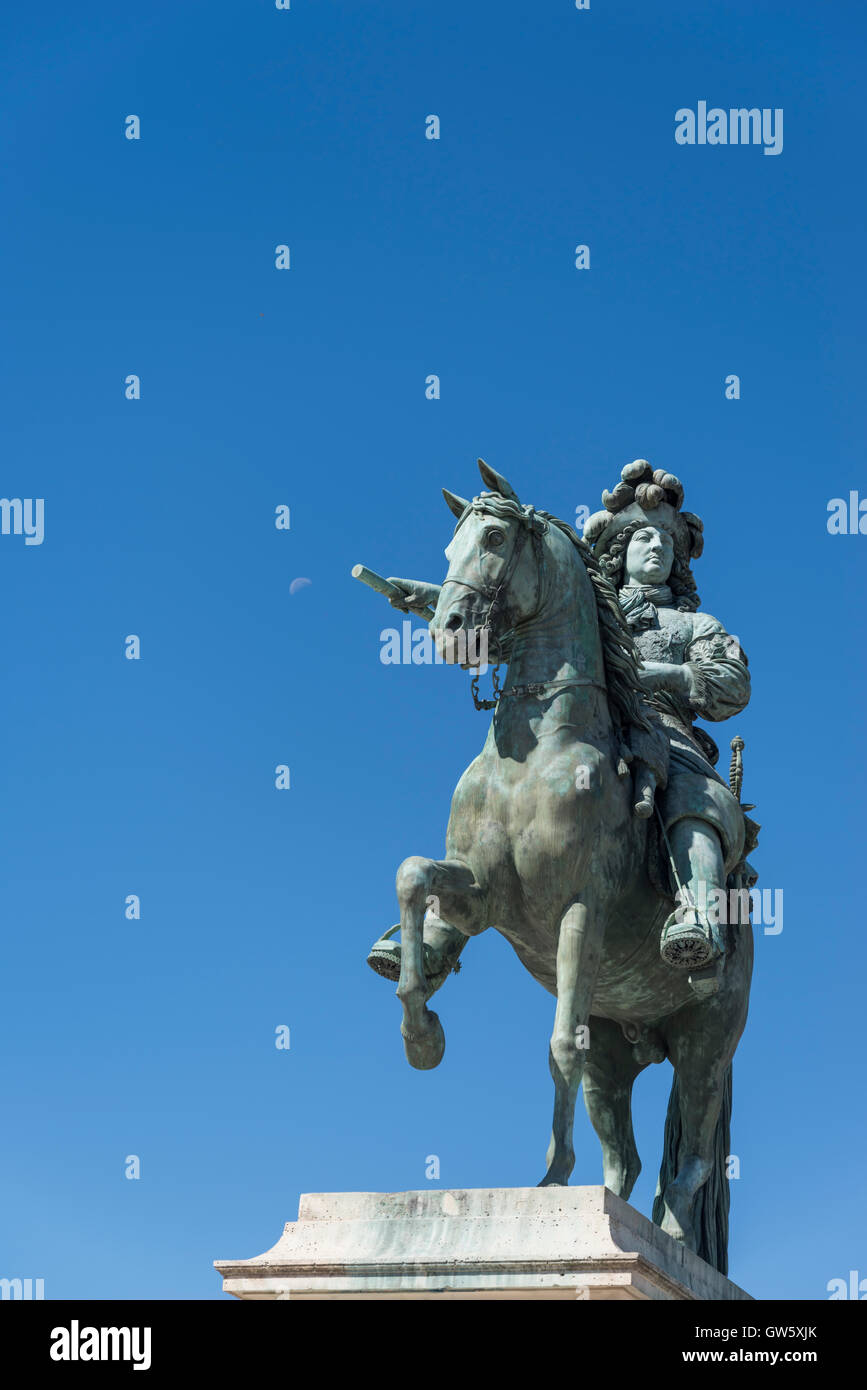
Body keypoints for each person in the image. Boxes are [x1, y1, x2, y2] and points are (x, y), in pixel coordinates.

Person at [366, 461, 751, 1000]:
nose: (656, 546)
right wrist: (433, 600)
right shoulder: (588, 605)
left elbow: (730, 683)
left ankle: (699, 912)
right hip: (573, 720)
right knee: (490, 791)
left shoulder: (694, 626)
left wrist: (661, 674)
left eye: (667, 540)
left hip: (662, 730)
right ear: (619, 549)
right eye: (643, 535)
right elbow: (508, 622)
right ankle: (438, 932)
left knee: (696, 800)